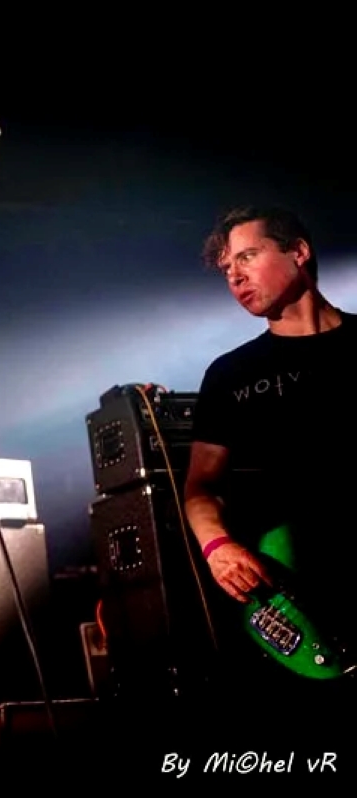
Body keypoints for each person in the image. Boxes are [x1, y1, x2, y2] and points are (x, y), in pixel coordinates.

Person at [184, 206, 355, 754]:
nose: (234, 276)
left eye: (248, 257)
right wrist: (218, 548)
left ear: (298, 252)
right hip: (296, 593)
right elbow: (200, 488)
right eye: (226, 269)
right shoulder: (230, 375)